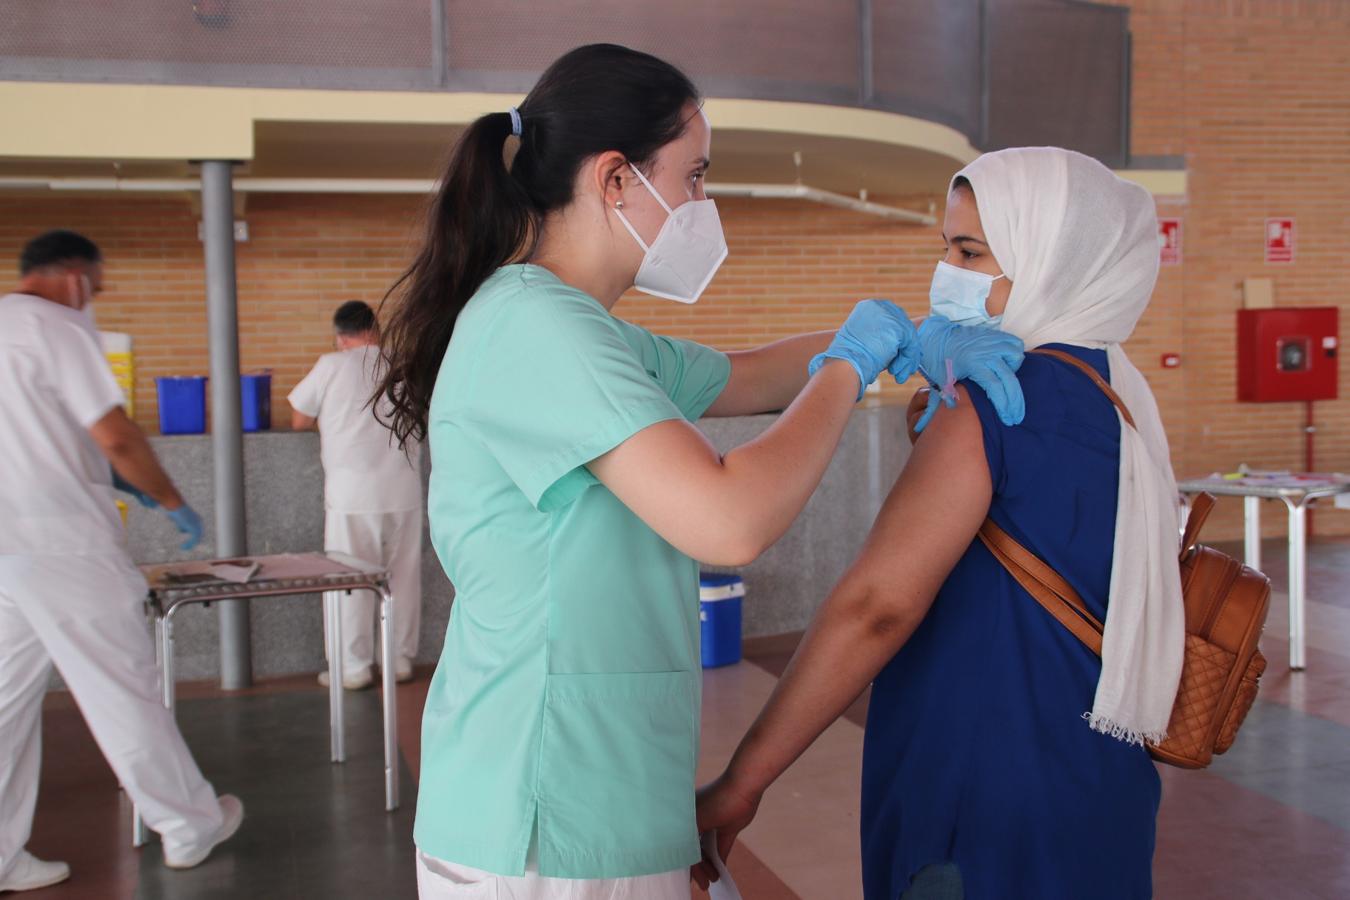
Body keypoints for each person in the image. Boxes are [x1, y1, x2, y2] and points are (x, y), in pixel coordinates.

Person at [375, 45, 1026, 900]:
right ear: (616, 180)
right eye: (695, 177)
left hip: (597, 791)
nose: (702, 204)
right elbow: (731, 520)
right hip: (542, 811)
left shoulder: (584, 328)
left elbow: (750, 376)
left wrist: (901, 335)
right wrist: (849, 369)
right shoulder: (534, 328)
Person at [696, 147, 1185, 900]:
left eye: (969, 251)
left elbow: (875, 606)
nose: (946, 271)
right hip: (1097, 790)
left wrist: (745, 779)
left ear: (1046, 258)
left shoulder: (993, 398)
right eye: (945, 249)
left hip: (983, 799)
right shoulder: (1122, 402)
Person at [0, 230, 244, 892]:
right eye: (98, 290)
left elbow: (33, 442)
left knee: (4, 705)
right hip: (67, 548)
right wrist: (168, 498)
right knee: (120, 688)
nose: (94, 303)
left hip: (6, 550)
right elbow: (114, 432)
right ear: (76, 277)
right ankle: (188, 822)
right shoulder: (58, 325)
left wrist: (103, 478)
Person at [290, 300, 423, 690]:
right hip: (404, 490)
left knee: (350, 579)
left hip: (351, 495)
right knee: (403, 578)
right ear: (375, 330)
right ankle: (398, 660)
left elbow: (299, 418)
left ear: (339, 337)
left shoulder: (331, 366)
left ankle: (353, 667)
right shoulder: (404, 364)